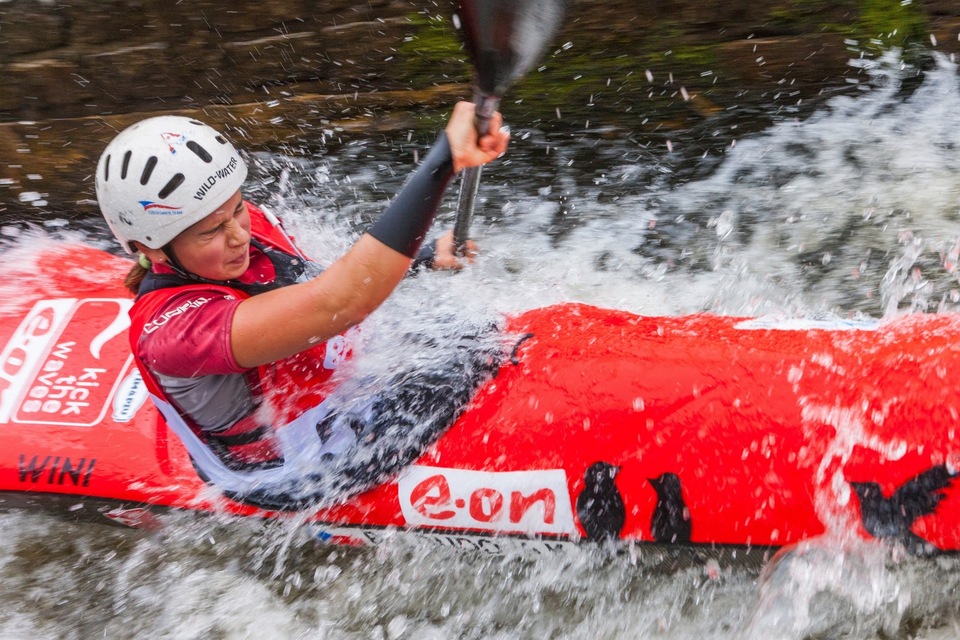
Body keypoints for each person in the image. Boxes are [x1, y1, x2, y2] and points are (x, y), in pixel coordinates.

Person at [95, 103, 510, 508]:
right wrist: (444, 160)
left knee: (470, 329)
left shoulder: (236, 229)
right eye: (210, 231)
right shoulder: (175, 334)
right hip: (290, 468)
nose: (238, 234)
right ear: (152, 247)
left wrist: (420, 260)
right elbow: (340, 301)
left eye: (236, 208)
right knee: (463, 364)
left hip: (336, 395)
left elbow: (320, 281)